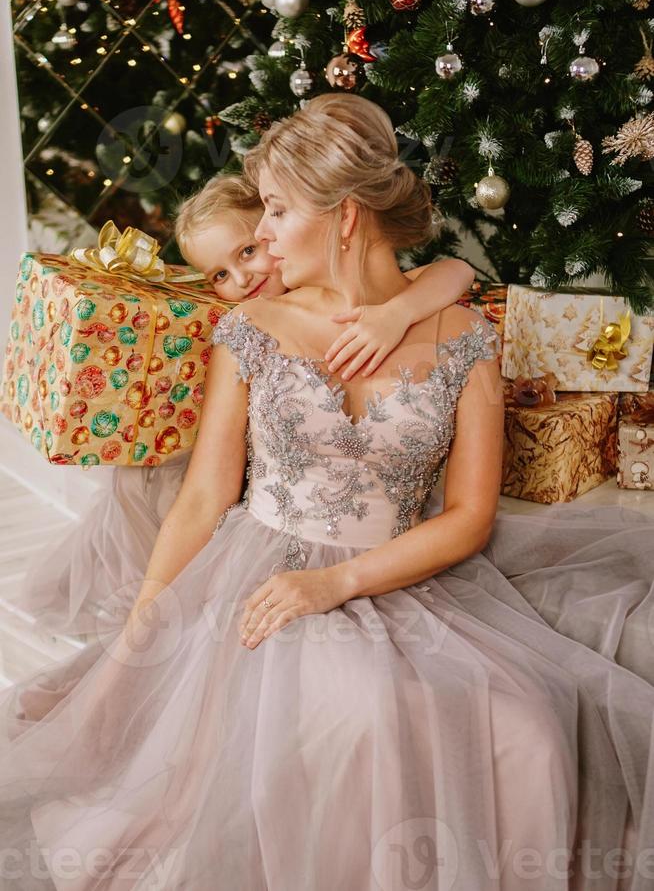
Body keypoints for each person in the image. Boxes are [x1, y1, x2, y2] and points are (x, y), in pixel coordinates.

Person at [0, 93, 652, 891]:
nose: (262, 236)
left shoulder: (464, 338)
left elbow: (470, 517)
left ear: (345, 216)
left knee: (533, 731)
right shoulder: (253, 328)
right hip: (259, 574)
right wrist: (150, 617)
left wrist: (335, 581)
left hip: (402, 575)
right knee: (367, 718)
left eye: (276, 210)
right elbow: (205, 497)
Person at [16, 172, 475, 639]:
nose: (241, 279)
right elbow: (205, 493)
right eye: (219, 275)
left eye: (248, 252)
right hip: (236, 487)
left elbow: (456, 270)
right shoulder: (246, 323)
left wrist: (399, 313)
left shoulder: (376, 297)